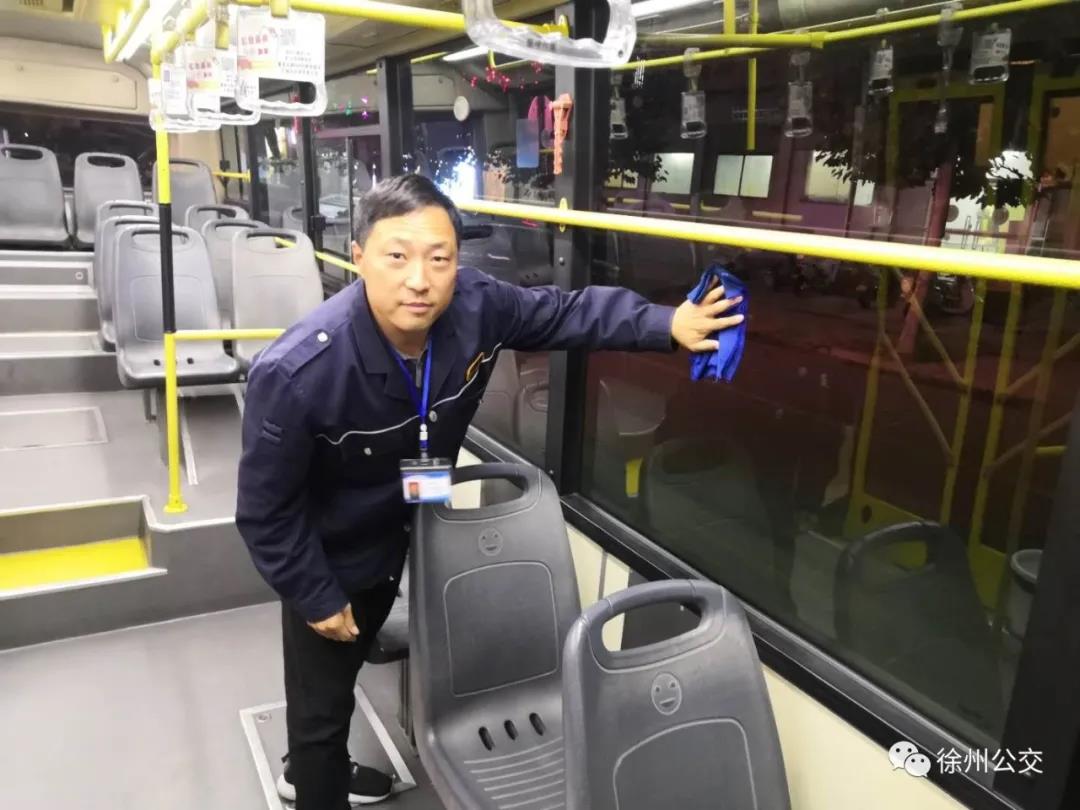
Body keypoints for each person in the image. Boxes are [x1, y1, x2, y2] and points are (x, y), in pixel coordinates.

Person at [235, 174, 744, 809]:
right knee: (323, 700)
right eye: (397, 256)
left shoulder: (476, 306)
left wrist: (667, 321)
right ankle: (313, 776)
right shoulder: (298, 372)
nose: (420, 280)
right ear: (358, 256)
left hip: (419, 523)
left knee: (361, 659)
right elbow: (265, 511)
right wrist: (315, 595)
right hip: (335, 553)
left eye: (439, 259)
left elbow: (566, 313)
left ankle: (323, 761)